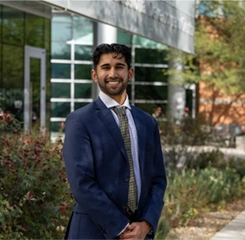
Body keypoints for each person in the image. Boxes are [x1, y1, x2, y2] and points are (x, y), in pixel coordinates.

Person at [63, 43, 167, 240]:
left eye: (119, 66)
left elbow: (158, 179)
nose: (113, 73)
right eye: (106, 67)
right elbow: (81, 182)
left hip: (139, 234)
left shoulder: (147, 122)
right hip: (92, 232)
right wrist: (120, 227)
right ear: (95, 75)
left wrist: (146, 225)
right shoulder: (80, 121)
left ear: (130, 73)